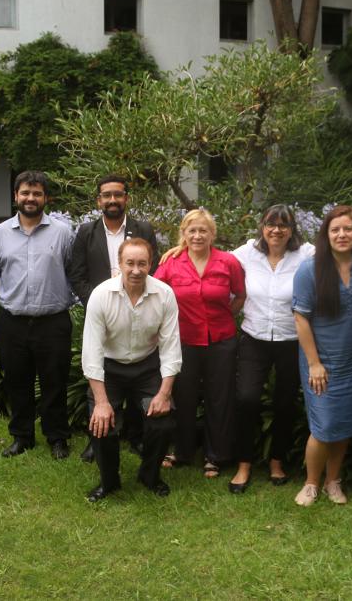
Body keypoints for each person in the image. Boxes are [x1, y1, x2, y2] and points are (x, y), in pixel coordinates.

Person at [82, 238, 182, 502]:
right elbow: (91, 353)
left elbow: (171, 348)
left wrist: (164, 393)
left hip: (147, 366)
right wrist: (102, 403)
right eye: (130, 263)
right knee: (101, 423)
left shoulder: (165, 295)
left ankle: (149, 476)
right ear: (120, 264)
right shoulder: (101, 295)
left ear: (150, 264)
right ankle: (109, 483)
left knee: (163, 421)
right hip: (110, 367)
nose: (136, 270)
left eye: (142, 263)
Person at [0, 170, 74, 459]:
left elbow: (72, 270)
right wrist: (12, 295)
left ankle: (57, 437)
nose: (30, 198)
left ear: (46, 198)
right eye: (25, 193)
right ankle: (22, 437)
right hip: (13, 321)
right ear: (16, 196)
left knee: (54, 381)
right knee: (17, 381)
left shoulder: (62, 232)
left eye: (37, 193)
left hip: (53, 321)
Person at [70, 175, 159, 462]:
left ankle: (134, 436)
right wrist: (97, 301)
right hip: (102, 313)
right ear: (99, 200)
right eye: (106, 195)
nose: (112, 200)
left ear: (126, 199)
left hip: (136, 310)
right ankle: (95, 438)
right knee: (99, 368)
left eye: (117, 195)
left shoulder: (142, 229)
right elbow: (77, 274)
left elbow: (151, 268)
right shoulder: (86, 232)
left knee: (137, 369)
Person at [291, 205, 352, 506]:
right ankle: (311, 483)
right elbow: (300, 317)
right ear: (326, 234)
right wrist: (314, 363)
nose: (342, 234)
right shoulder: (310, 270)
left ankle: (333, 482)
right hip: (322, 361)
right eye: (335, 229)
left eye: (348, 229)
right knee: (324, 425)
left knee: (345, 423)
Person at [227, 204, 314, 494]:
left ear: (292, 230)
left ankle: (277, 461)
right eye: (271, 224)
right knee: (247, 399)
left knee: (285, 403)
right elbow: (213, 259)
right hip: (254, 338)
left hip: (292, 340)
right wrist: (176, 250)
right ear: (262, 226)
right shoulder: (247, 252)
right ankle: (244, 463)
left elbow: (338, 251)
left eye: (284, 225)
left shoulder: (305, 254)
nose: (277, 230)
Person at [154, 209, 245, 478]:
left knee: (220, 398)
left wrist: (226, 314)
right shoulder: (171, 262)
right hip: (184, 340)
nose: (197, 235)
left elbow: (240, 295)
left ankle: (215, 455)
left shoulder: (228, 262)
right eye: (192, 230)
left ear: (212, 234)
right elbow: (154, 292)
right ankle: (182, 450)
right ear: (183, 233)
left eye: (203, 230)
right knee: (183, 396)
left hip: (221, 339)